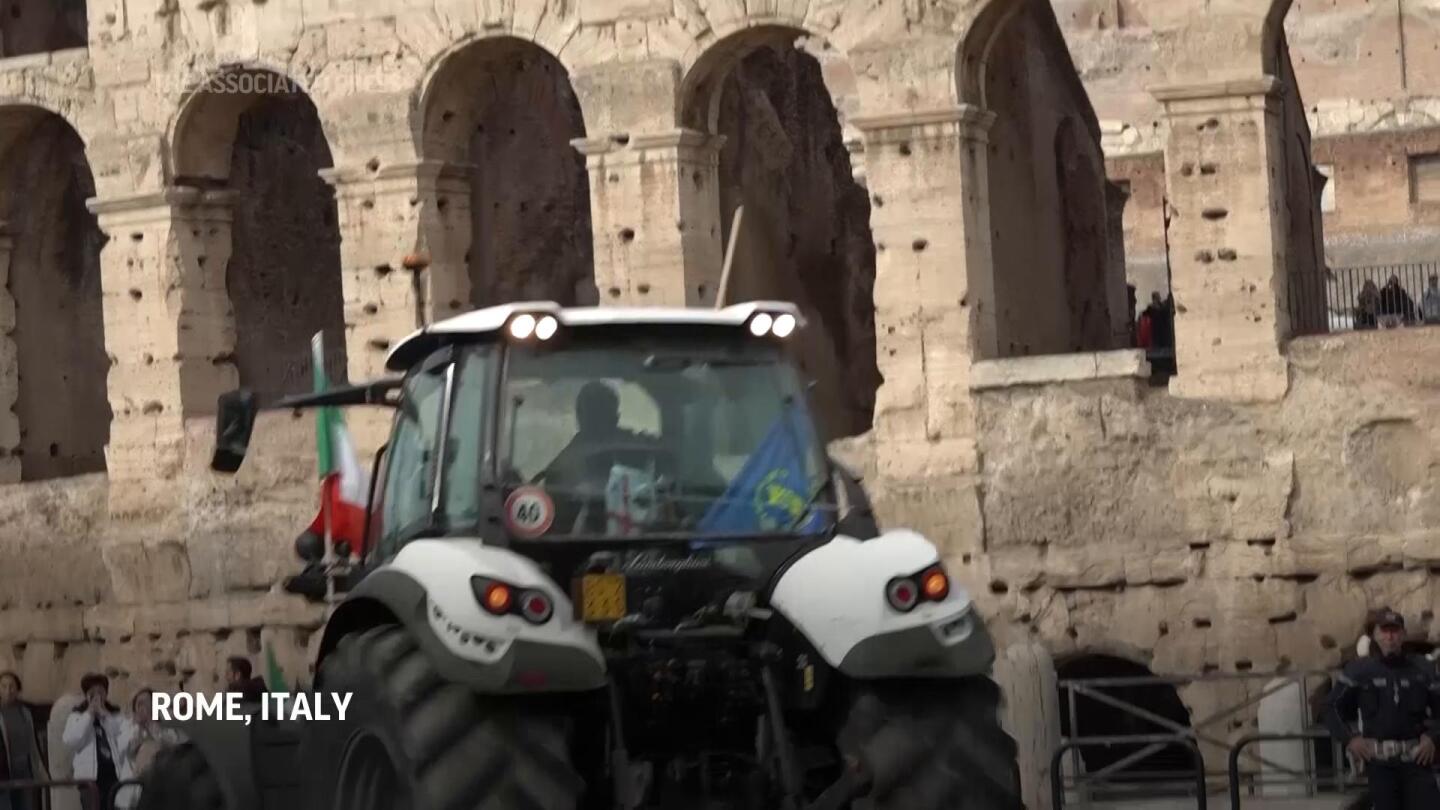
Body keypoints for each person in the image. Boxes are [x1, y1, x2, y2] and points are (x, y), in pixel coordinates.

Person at [1322, 609, 1440, 810]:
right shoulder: (1359, 670)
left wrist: (1433, 736)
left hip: (1417, 761)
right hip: (1379, 764)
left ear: (1403, 634)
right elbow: (1331, 707)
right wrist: (1350, 738)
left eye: (1395, 630)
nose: (1390, 636)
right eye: (1384, 631)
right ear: (1375, 635)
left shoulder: (1422, 668)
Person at [62, 674, 138, 810]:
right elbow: (71, 740)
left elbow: (121, 734)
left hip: (114, 775)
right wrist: (89, 714)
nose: (97, 696)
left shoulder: (115, 715)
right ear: (86, 695)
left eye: (101, 692)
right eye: (92, 693)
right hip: (89, 778)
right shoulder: (76, 716)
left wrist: (104, 715)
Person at [113, 688, 184, 809]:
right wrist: (138, 729)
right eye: (139, 704)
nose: (142, 707)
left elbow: (173, 747)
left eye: (146, 703)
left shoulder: (166, 728)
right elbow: (121, 750)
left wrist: (151, 725)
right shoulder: (127, 726)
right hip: (128, 792)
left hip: (156, 793)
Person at [0, 671, 49, 810]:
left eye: (12, 686)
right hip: (5, 770)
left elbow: (33, 744)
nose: (8, 691)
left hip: (25, 769)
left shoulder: (25, 712)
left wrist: (40, 770)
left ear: (17, 689)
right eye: (3, 686)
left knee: (26, 806)